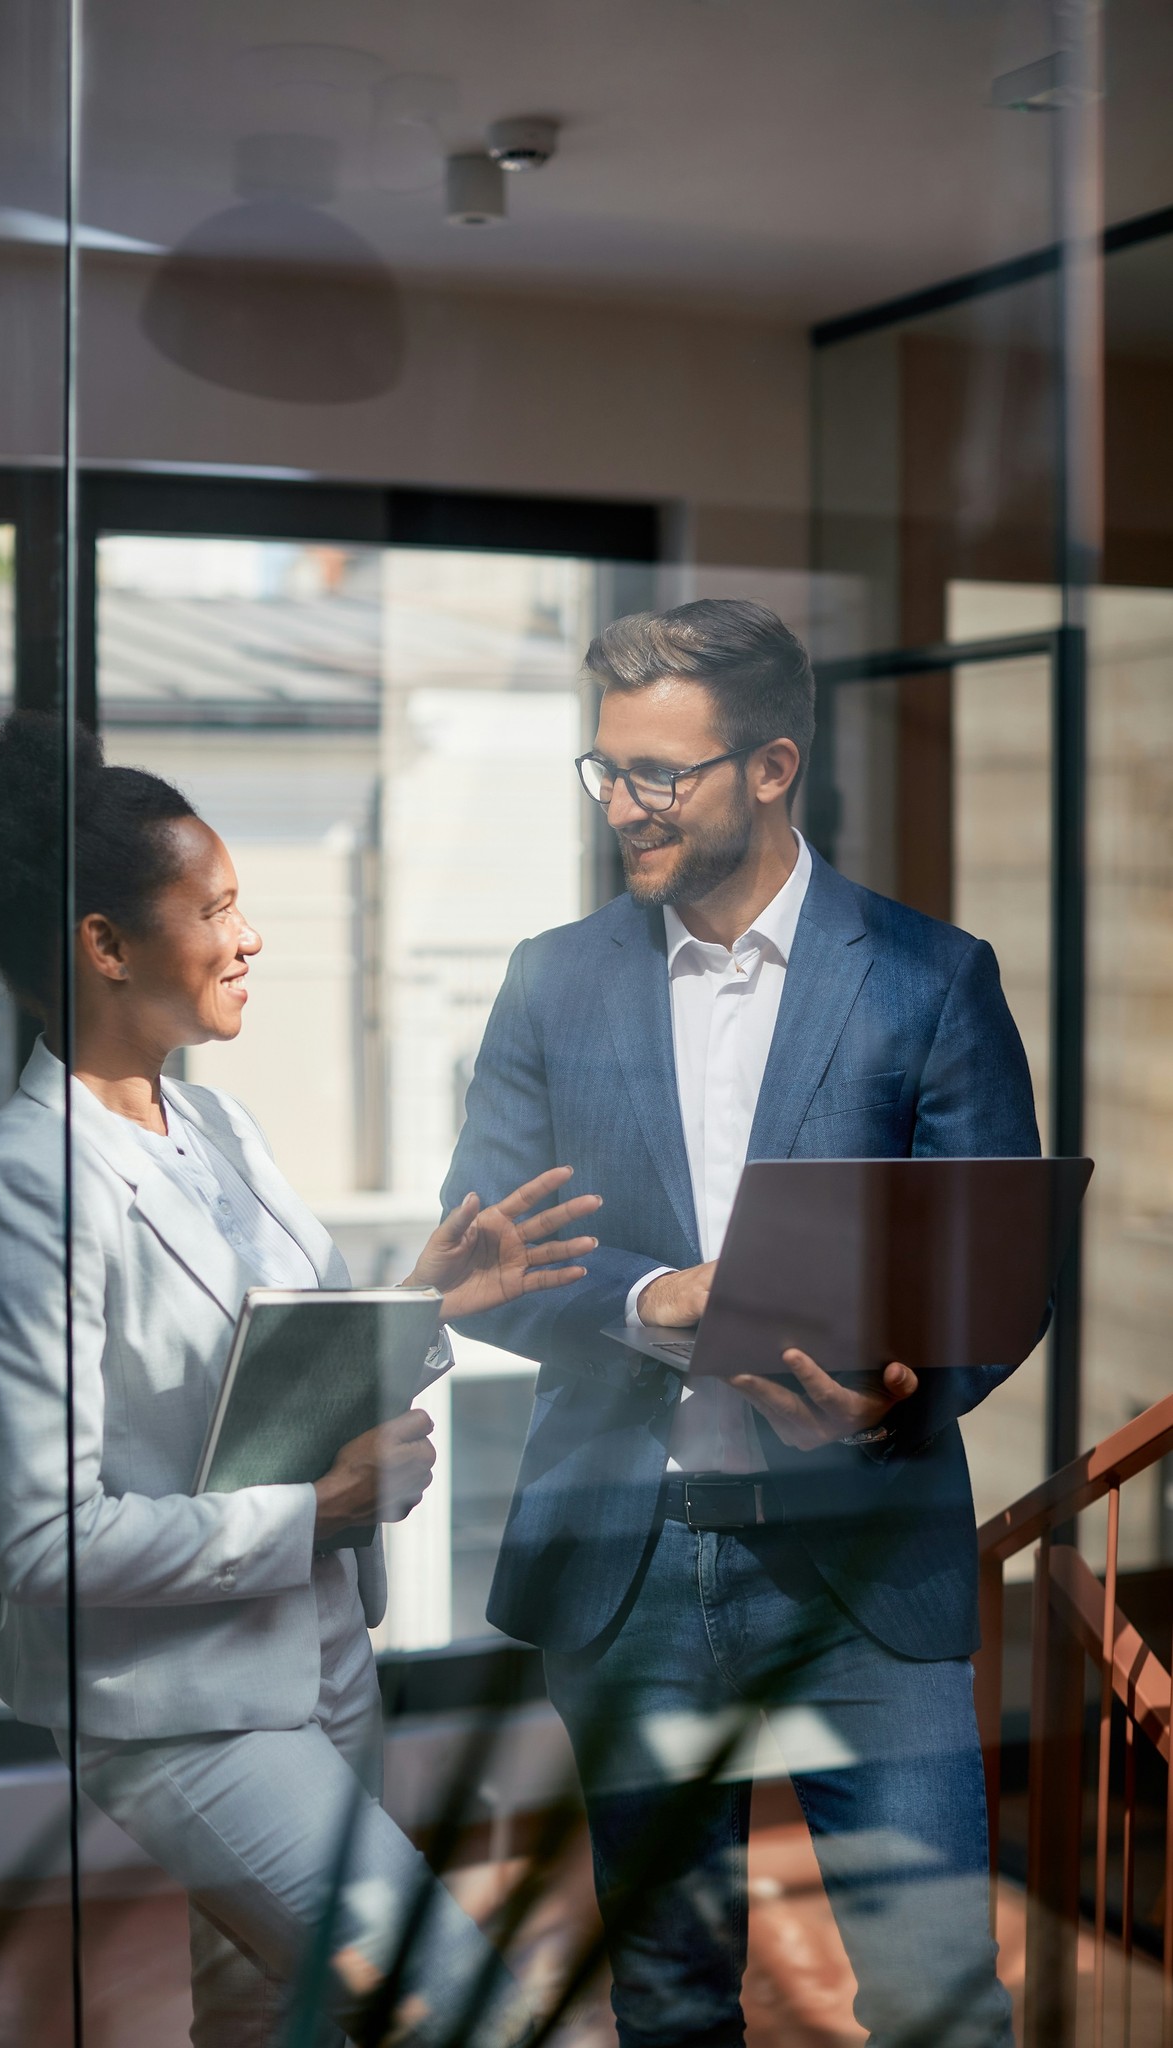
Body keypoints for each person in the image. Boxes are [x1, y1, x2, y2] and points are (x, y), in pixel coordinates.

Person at [0, 712, 602, 2048]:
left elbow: (266, 1377)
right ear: (104, 946)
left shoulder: (213, 1119)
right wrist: (318, 1511)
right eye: (218, 908)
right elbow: (42, 1539)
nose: (249, 938)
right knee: (460, 2009)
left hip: (310, 1659)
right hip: (183, 1710)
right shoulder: (30, 1183)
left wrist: (425, 1301)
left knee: (264, 2022)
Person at [441, 598, 1039, 2048]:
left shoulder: (926, 975)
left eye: (658, 775)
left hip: (861, 1562)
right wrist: (655, 1298)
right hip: (628, 1568)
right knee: (666, 1992)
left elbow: (997, 1264)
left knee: (934, 1994)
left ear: (769, 769)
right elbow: (487, 1246)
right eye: (605, 771)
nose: (621, 808)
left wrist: (898, 1390)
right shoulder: (550, 978)